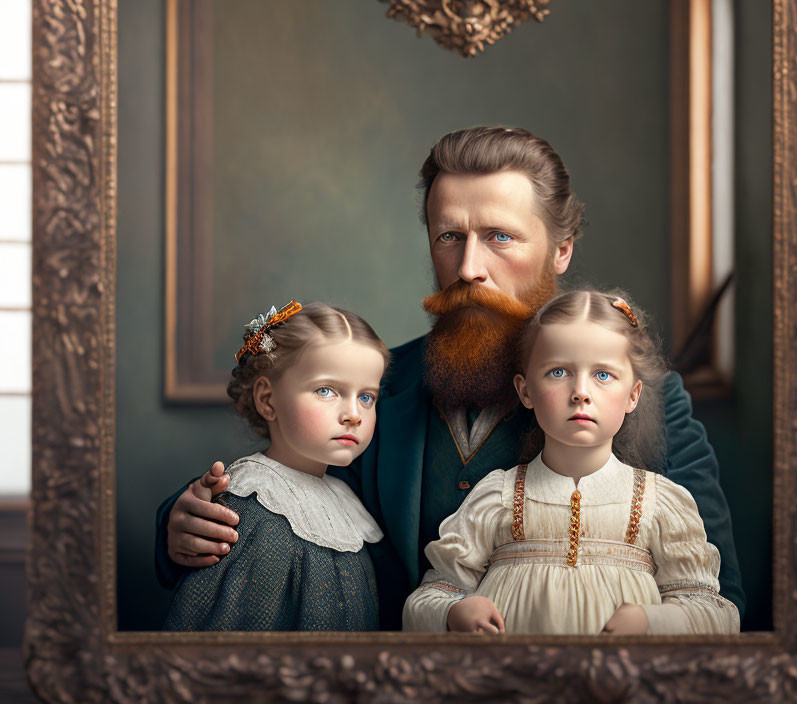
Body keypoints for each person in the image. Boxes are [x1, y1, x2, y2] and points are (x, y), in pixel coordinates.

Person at [155, 127, 745, 630]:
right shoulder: (373, 386)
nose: (468, 269)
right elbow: (287, 489)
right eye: (450, 237)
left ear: (562, 251)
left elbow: (720, 600)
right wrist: (181, 527)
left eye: (500, 237)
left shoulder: (652, 401)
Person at [403, 290, 740, 635]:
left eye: (603, 375)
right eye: (559, 372)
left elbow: (716, 613)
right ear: (525, 391)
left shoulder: (660, 504)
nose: (581, 391)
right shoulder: (496, 497)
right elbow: (426, 599)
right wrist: (454, 610)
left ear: (633, 395)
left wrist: (651, 621)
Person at [163, 301, 388, 631]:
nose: (354, 414)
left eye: (366, 397)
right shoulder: (256, 511)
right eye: (326, 390)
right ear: (267, 400)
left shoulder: (342, 498)